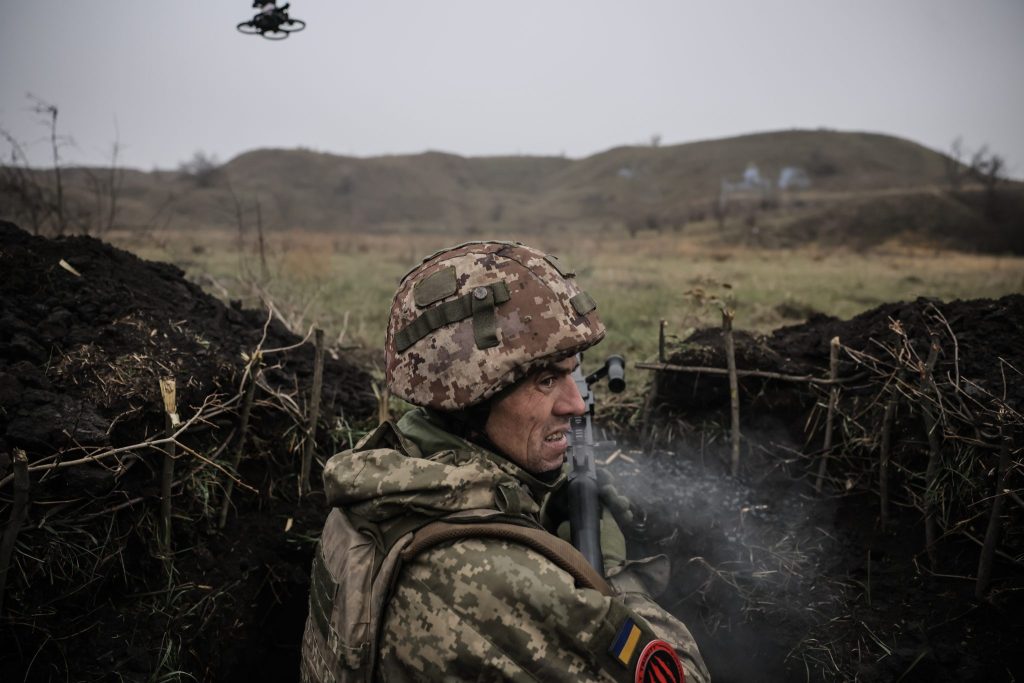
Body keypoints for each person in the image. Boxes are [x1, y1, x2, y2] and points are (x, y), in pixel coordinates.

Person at [301, 241, 709, 682]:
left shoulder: (383, 485)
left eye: (572, 372)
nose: (575, 404)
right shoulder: (495, 577)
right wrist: (609, 576)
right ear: (471, 398)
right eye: (546, 380)